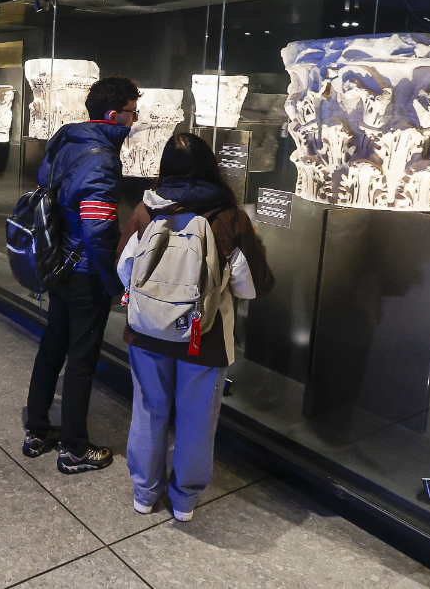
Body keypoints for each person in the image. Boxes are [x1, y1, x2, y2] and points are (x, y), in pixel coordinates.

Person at [116, 132, 274, 521]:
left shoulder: (146, 210)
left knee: (148, 410)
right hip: (202, 338)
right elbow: (251, 287)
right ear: (210, 166)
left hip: (147, 332)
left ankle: (143, 493)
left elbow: (124, 270)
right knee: (197, 418)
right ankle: (184, 500)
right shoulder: (229, 217)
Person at [22, 76, 139, 474]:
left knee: (53, 346)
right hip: (85, 271)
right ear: (113, 115)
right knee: (82, 359)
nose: (134, 120)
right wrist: (113, 280)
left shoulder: (66, 141)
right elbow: (98, 228)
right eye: (131, 112)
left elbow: (44, 188)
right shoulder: (102, 158)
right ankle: (74, 449)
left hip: (57, 261)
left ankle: (37, 430)